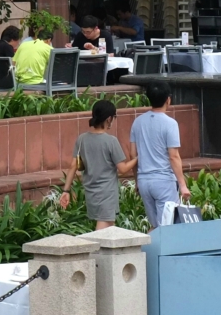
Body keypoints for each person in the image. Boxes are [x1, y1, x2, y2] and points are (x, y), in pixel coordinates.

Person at [60, 99, 134, 229]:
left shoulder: (81, 139)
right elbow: (123, 169)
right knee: (102, 233)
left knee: (109, 229)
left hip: (91, 193)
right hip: (107, 194)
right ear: (109, 119)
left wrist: (66, 190)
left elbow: (73, 166)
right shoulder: (111, 141)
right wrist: (138, 158)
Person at [129, 85, 187, 229]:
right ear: (168, 100)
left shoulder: (138, 122)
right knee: (168, 227)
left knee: (155, 227)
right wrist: (183, 185)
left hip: (144, 181)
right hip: (164, 181)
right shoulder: (170, 124)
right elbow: (173, 156)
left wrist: (137, 181)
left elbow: (132, 154)